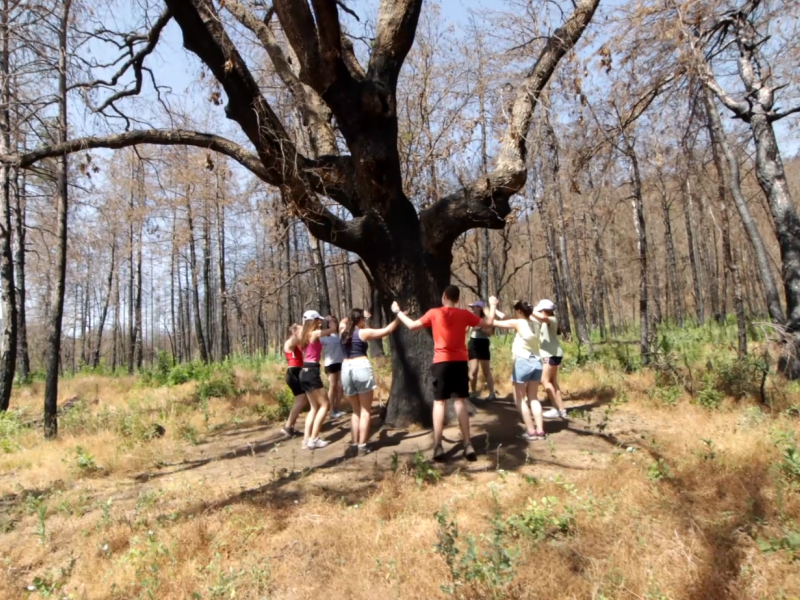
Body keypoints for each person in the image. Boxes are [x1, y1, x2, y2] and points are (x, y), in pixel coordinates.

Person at [392, 286, 497, 462]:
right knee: (460, 402)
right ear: (456, 299)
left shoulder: (434, 313)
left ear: (444, 296)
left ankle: (438, 446)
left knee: (439, 404)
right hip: (460, 362)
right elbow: (488, 323)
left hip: (441, 363)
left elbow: (412, 326)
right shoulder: (464, 314)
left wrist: (397, 311)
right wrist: (492, 305)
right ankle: (468, 444)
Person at [340, 308, 399, 456]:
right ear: (360, 320)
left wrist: (356, 316)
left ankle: (354, 444)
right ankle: (362, 446)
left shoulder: (343, 332)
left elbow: (343, 322)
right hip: (361, 367)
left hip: (346, 369)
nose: (365, 321)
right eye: (363, 319)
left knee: (356, 411)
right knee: (365, 411)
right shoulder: (363, 332)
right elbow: (387, 330)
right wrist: (399, 317)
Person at [493, 300, 546, 441]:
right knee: (533, 398)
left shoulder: (518, 323)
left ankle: (530, 431)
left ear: (519, 312)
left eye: (517, 311)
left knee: (520, 399)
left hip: (523, 362)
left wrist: (492, 308)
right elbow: (509, 318)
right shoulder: (535, 323)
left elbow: (495, 323)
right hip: (537, 362)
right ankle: (540, 431)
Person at [299, 310, 336, 449]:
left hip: (304, 371)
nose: (320, 322)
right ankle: (314, 439)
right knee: (325, 405)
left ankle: (306, 440)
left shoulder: (303, 335)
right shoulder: (313, 334)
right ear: (313, 321)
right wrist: (330, 320)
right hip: (312, 372)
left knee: (314, 408)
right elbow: (333, 329)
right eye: (318, 320)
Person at [532, 299, 568, 420]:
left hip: (551, 355)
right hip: (552, 354)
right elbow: (535, 318)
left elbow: (543, 318)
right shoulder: (545, 321)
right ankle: (561, 409)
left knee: (544, 381)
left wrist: (530, 309)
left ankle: (556, 408)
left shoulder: (551, 319)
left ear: (544, 311)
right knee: (553, 382)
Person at [281, 324, 308, 437]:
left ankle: (290, 426)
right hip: (293, 373)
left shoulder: (297, 343)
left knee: (302, 400)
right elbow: (295, 340)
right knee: (301, 400)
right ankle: (287, 427)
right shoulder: (290, 342)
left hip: (298, 372)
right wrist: (301, 332)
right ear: (295, 332)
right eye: (301, 331)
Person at [467, 300, 496, 401]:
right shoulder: (470, 318)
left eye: (474, 307)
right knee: (473, 370)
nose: (472, 309)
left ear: (479, 308)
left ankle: (492, 393)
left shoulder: (486, 319)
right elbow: (465, 330)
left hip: (483, 343)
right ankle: (473, 392)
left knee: (486, 371)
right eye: (472, 307)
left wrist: (480, 328)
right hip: (473, 343)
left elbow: (490, 332)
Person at [320, 318, 345, 419]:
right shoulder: (324, 337)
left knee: (341, 387)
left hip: (341, 363)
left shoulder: (340, 336)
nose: (332, 324)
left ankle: (337, 408)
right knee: (332, 386)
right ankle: (331, 411)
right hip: (330, 364)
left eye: (334, 322)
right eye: (330, 322)